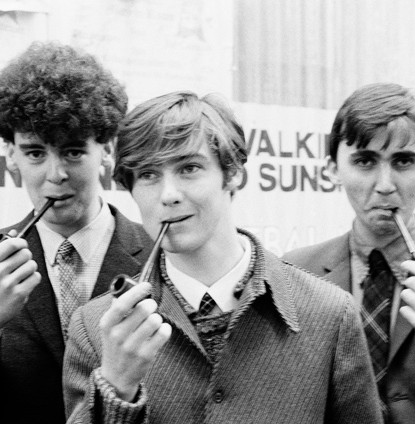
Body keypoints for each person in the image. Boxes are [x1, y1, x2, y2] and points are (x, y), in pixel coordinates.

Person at [63, 91, 383, 424]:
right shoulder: (95, 328)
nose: (168, 195)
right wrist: (116, 388)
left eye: (189, 168)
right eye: (148, 175)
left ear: (232, 174)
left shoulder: (330, 315)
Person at [0, 42, 153, 424]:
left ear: (107, 150)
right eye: (35, 153)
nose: (55, 175)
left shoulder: (159, 254)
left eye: (72, 151)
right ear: (10, 154)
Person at [283, 82, 415, 424]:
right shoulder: (293, 273)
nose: (386, 184)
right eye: (365, 161)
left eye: (403, 161)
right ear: (333, 169)